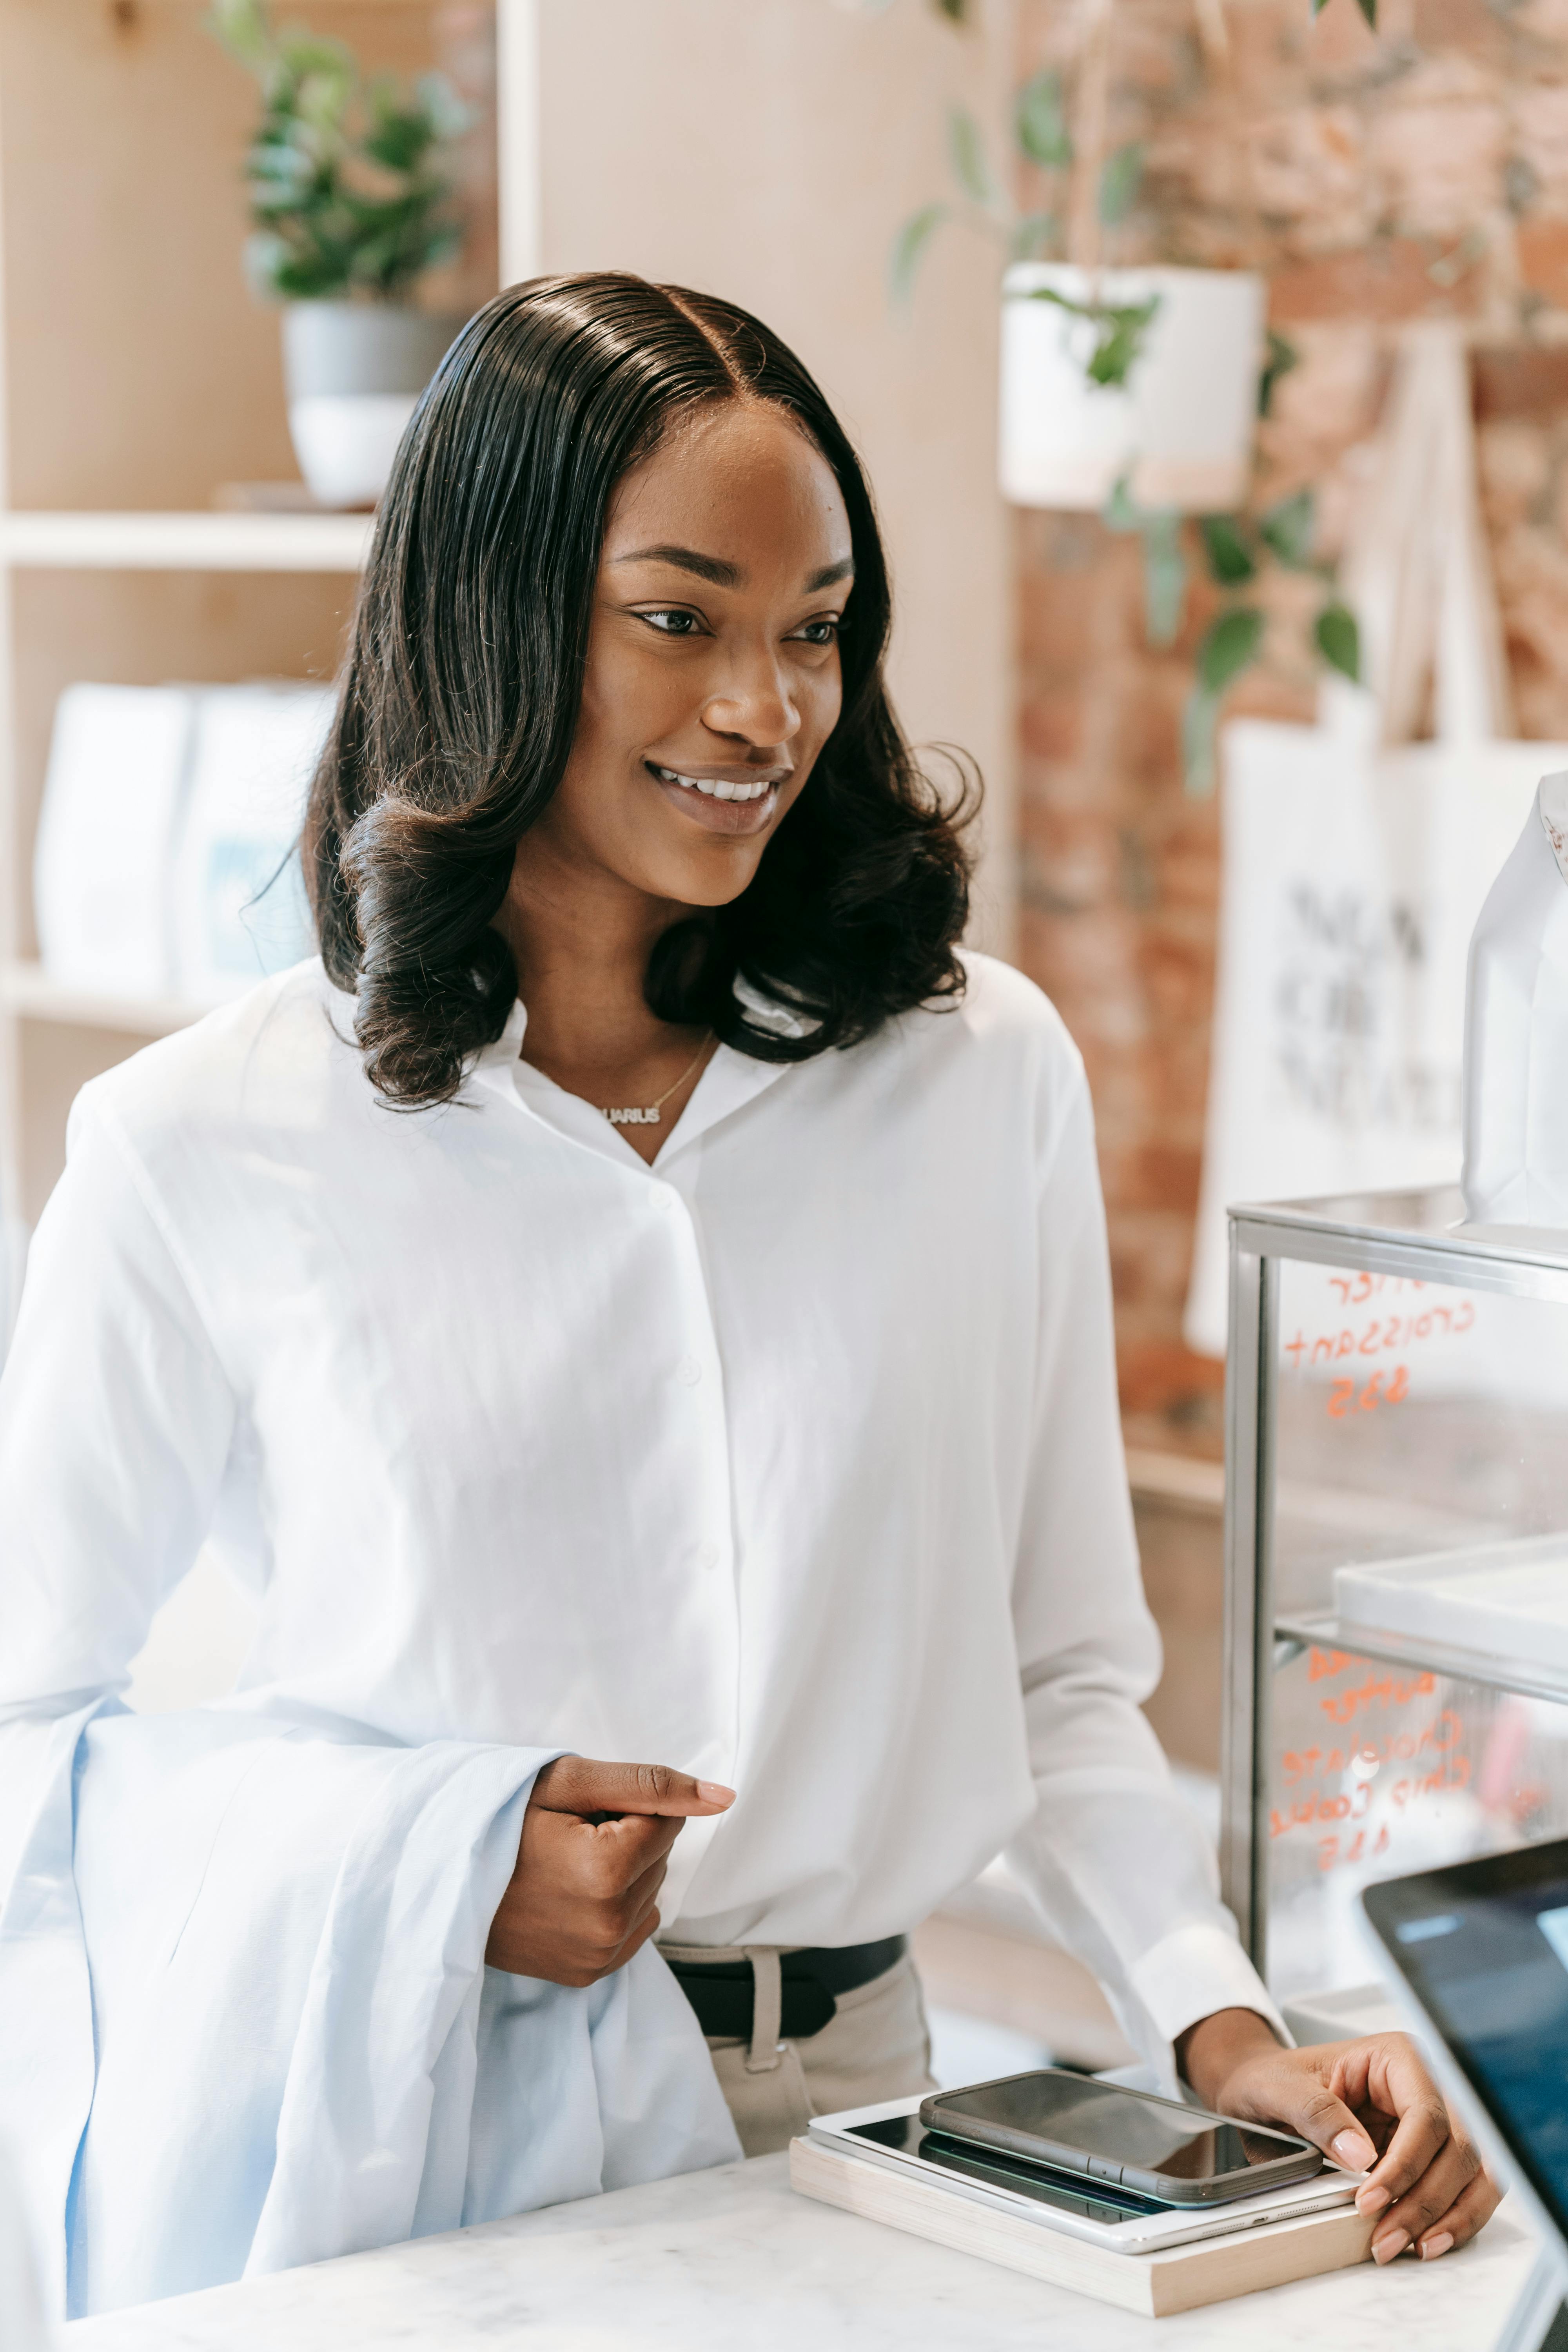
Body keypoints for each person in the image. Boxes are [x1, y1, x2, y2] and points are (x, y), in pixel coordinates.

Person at [0, 274, 1497, 2292]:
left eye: (814, 630)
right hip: (434, 2145)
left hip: (891, 2122)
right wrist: (441, 1868)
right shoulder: (205, 1142)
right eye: (678, 617)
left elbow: (1059, 1676)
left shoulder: (978, 1079)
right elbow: (32, 1742)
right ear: (495, 608)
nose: (762, 710)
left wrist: (1220, 2027)